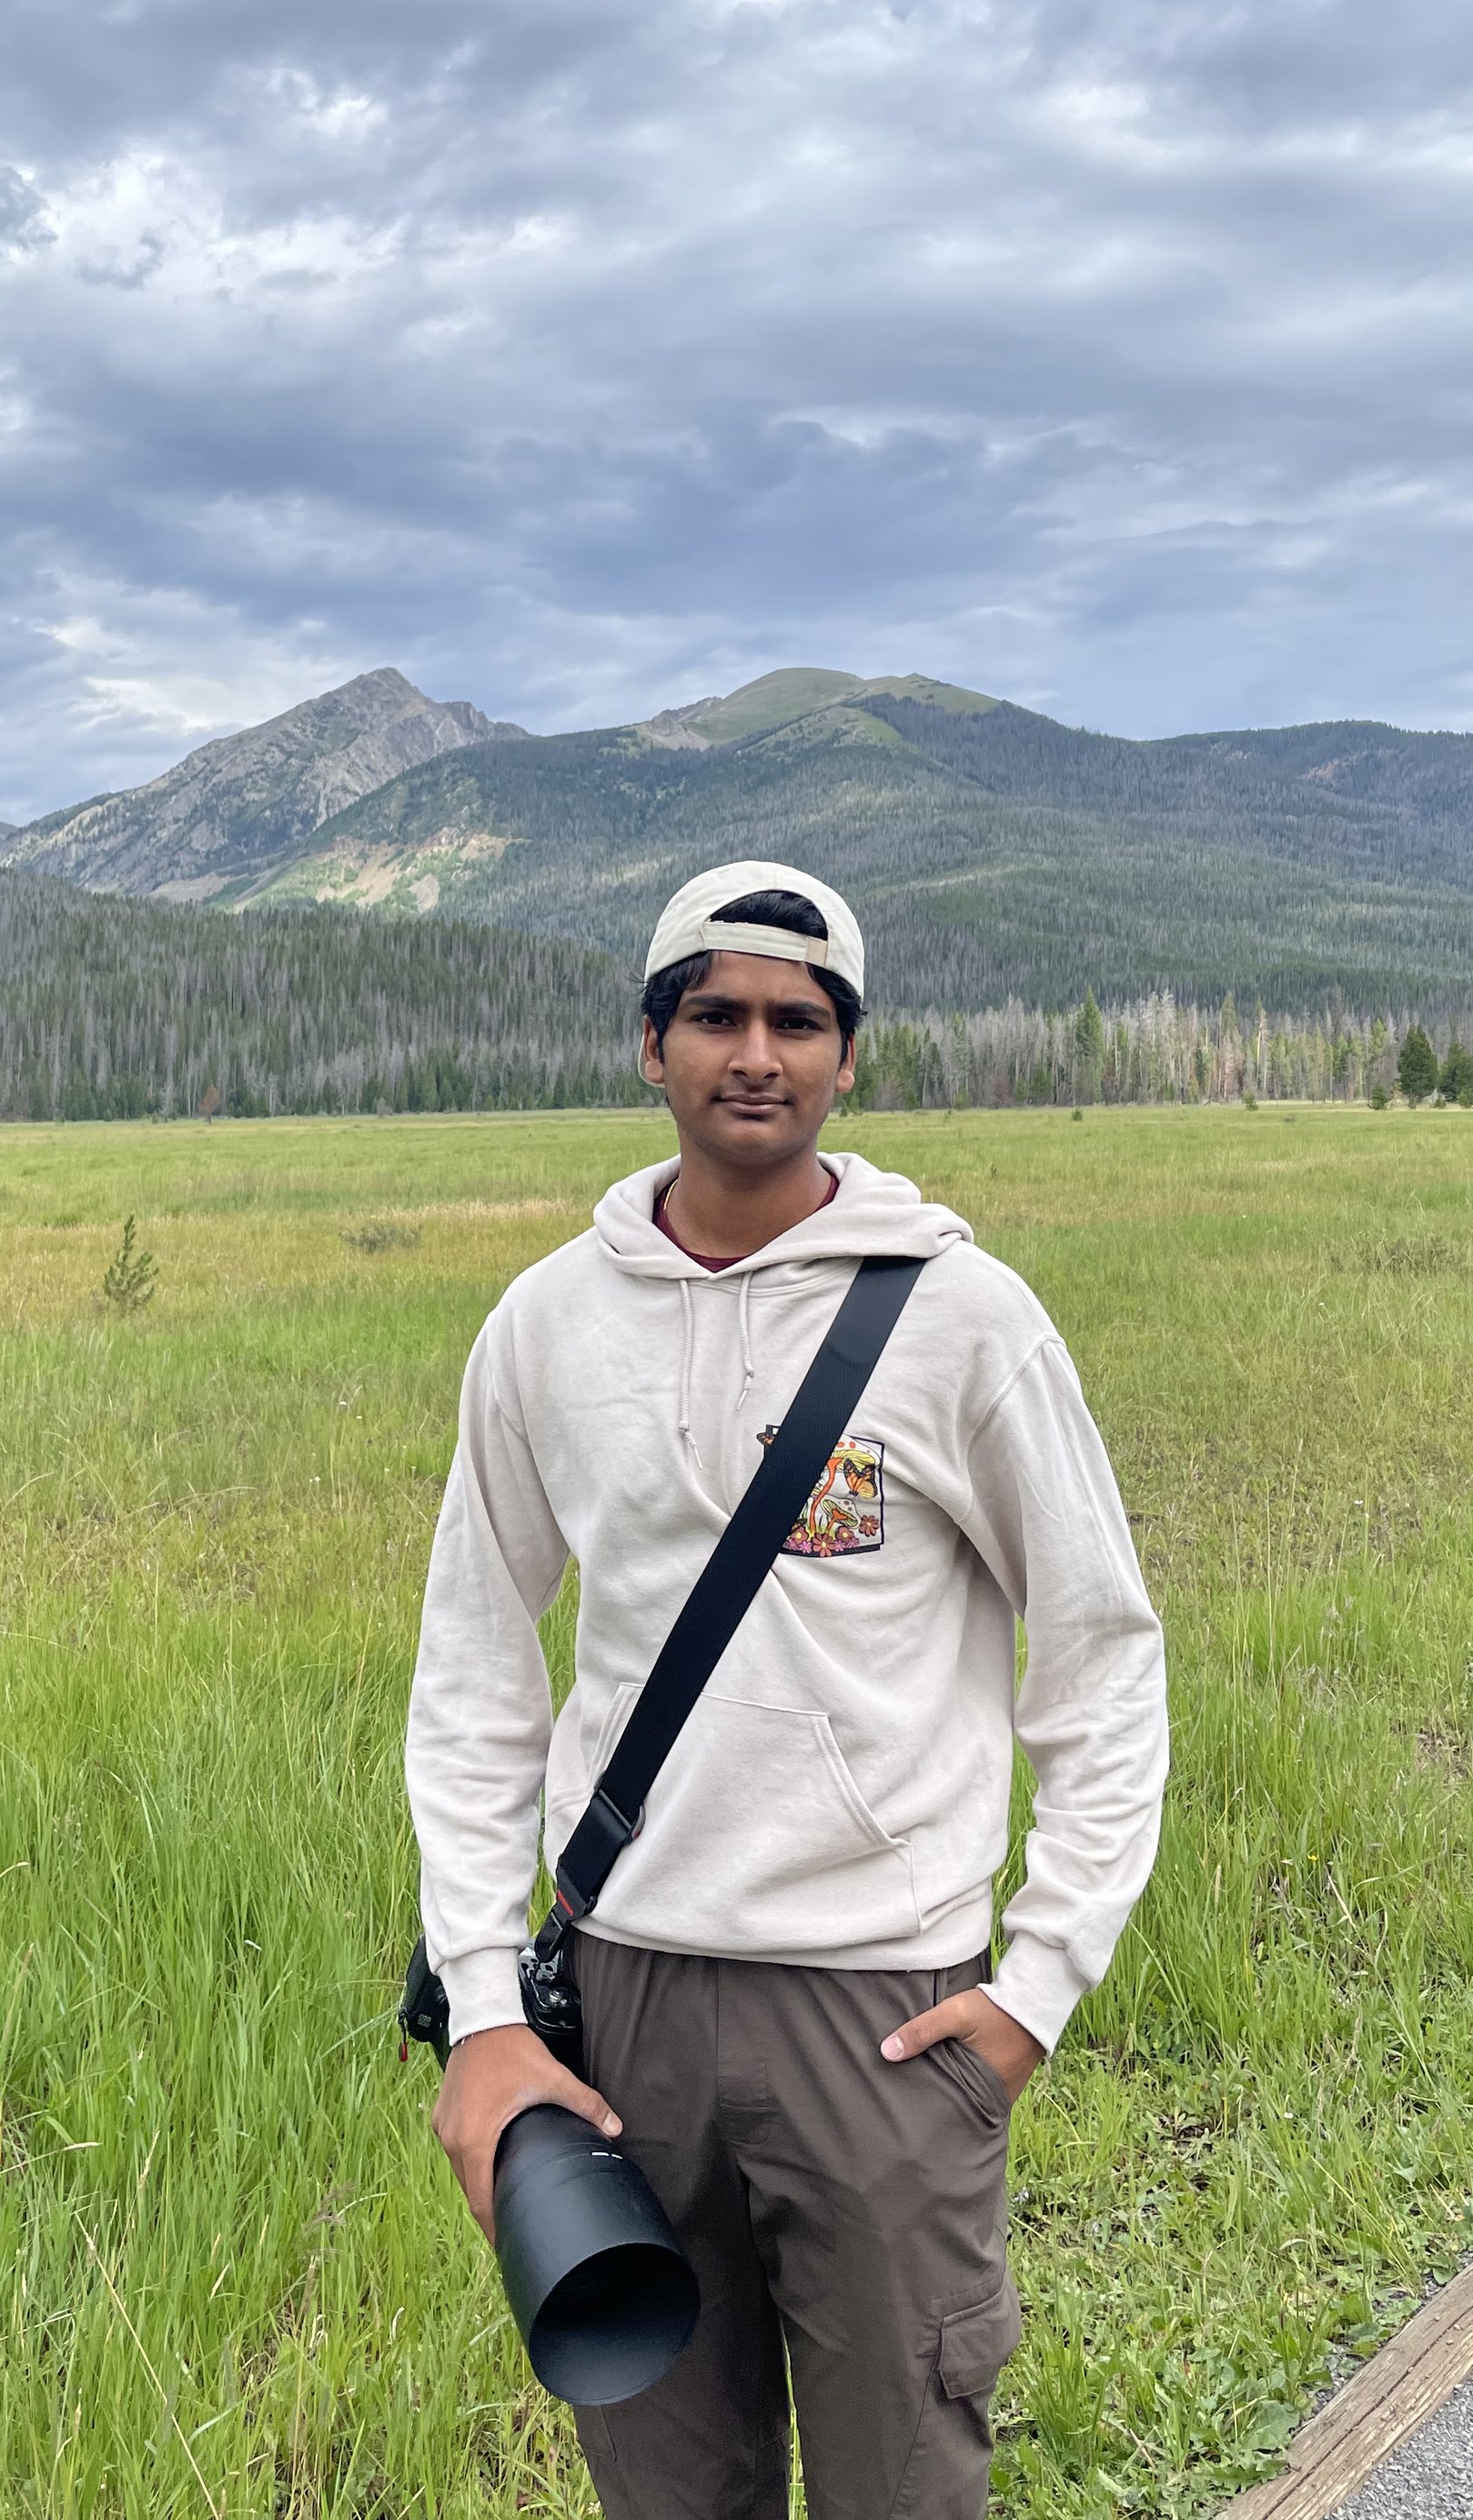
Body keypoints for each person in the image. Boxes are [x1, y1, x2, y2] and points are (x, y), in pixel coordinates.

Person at [405, 859, 1168, 2520]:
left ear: (846, 1056)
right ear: (654, 1045)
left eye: (798, 1019)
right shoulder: (541, 1328)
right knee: (670, 2491)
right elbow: (475, 1671)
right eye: (718, 1013)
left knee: (905, 2486)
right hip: (624, 2010)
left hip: (882, 2009)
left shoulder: (966, 1321)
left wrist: (1042, 1979)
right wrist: (480, 2002)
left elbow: (1101, 1651)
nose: (757, 1050)